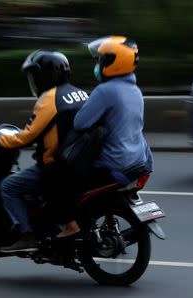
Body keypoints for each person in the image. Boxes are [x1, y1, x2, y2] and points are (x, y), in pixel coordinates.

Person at [58, 36, 154, 238]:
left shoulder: (106, 91)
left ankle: (72, 226)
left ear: (113, 63)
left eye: (100, 60)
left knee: (63, 178)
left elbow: (80, 123)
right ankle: (110, 219)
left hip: (115, 163)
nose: (97, 64)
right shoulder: (135, 90)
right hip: (138, 160)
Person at [0, 50, 88, 252]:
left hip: (56, 164)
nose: (34, 81)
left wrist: (1, 141)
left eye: (35, 76)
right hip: (81, 160)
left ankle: (27, 235)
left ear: (45, 75)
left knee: (8, 186)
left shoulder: (49, 99)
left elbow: (28, 136)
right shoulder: (79, 92)